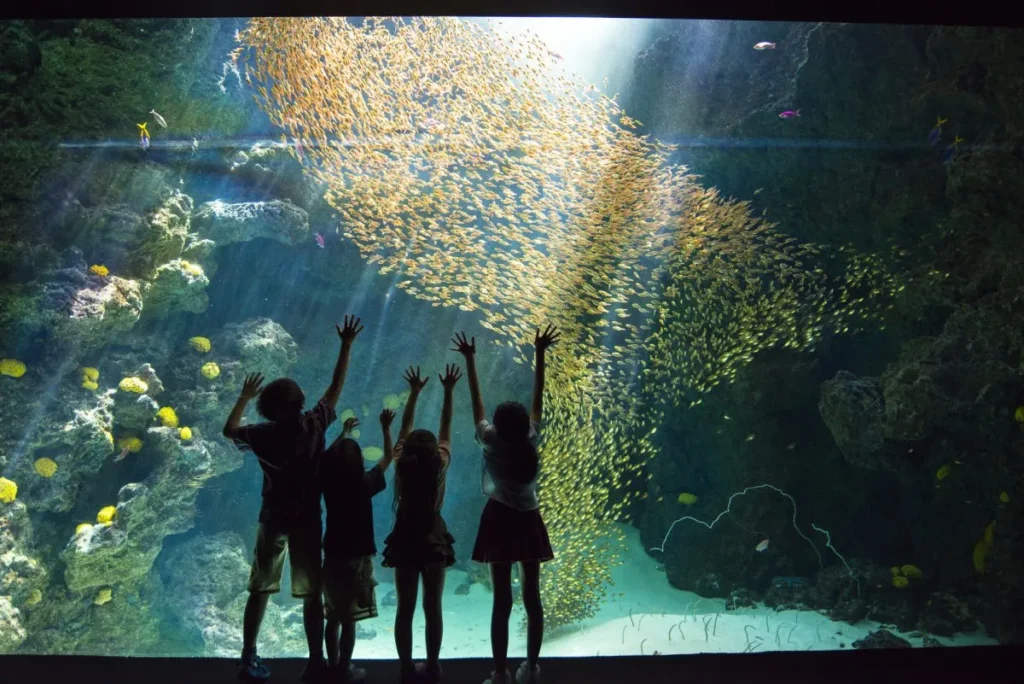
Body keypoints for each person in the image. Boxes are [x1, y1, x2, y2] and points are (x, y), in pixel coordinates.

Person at [223, 315, 364, 683]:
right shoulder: (313, 426)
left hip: (272, 517)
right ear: (297, 403)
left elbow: (229, 430)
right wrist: (346, 345)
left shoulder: (263, 434)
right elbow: (335, 387)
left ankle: (248, 655)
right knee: (311, 592)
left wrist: (243, 397)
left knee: (260, 587)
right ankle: (315, 661)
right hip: (307, 520)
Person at [451, 325, 559, 684]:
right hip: (529, 519)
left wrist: (470, 359)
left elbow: (477, 405)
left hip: (498, 519)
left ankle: (500, 672)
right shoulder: (530, 438)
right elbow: (538, 401)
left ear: (497, 425)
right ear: (524, 424)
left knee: (501, 600)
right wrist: (540, 353)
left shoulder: (490, 440)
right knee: (532, 596)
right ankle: (532, 667)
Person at [381, 365, 461, 684]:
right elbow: (446, 429)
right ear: (434, 452)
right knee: (433, 606)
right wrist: (449, 391)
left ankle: (405, 667)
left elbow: (403, 431)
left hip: (404, 537)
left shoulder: (400, 463)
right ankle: (433, 665)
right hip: (433, 538)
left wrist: (414, 393)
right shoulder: (440, 464)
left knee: (405, 608)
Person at [319, 409, 396, 683]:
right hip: (359, 558)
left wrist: (344, 434)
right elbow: (388, 459)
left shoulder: (328, 482)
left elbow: (326, 459)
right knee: (349, 620)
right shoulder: (364, 483)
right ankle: (344, 669)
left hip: (333, 556)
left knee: (332, 618)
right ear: (360, 461)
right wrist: (386, 428)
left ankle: (332, 665)